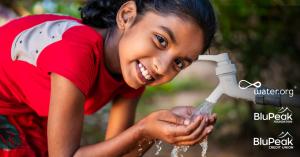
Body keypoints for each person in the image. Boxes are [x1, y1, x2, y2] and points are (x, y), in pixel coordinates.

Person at [0, 0, 217, 156]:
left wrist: (157, 129)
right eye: (161, 40)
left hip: (28, 115)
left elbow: (119, 151)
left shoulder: (132, 73)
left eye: (179, 63)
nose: (161, 66)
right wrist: (143, 129)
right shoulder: (77, 50)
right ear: (126, 16)